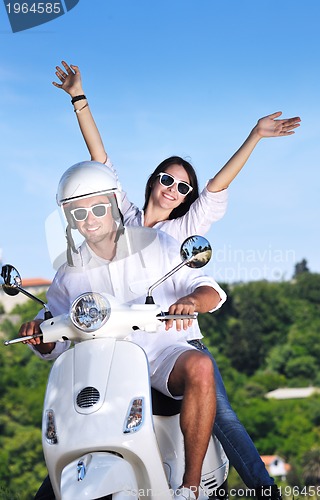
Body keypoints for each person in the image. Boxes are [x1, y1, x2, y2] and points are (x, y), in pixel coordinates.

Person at [53, 61, 301, 499]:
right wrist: (79, 98)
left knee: (224, 418)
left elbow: (218, 188)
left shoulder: (182, 233)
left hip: (176, 341)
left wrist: (256, 135)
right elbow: (100, 163)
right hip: (120, 346)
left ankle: (261, 492)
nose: (173, 189)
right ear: (153, 181)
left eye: (183, 187)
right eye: (168, 179)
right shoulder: (123, 221)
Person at [19, 161, 227, 500]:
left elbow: (208, 289)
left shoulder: (158, 243)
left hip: (163, 355)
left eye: (98, 208)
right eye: (79, 213)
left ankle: (191, 489)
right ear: (68, 218)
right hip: (105, 369)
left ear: (114, 204)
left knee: (200, 366)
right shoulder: (69, 274)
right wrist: (37, 333)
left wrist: (191, 301)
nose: (89, 220)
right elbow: (52, 334)